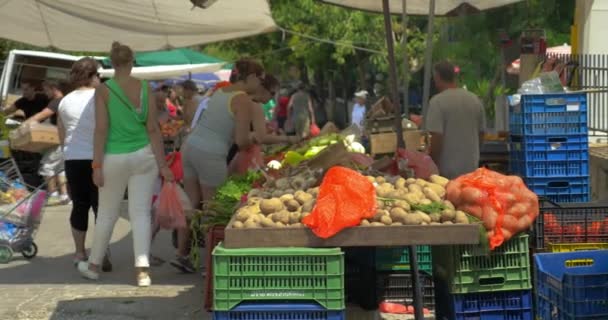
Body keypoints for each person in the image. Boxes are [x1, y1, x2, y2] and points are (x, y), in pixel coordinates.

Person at [174, 60, 296, 272]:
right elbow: (240, 141)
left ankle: (182, 254)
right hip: (210, 155)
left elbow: (224, 128)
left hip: (191, 149)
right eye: (259, 78)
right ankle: (212, 266)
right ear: (250, 78)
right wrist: (254, 137)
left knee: (194, 204)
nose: (259, 84)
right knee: (214, 210)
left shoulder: (221, 92)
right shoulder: (242, 100)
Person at [78, 42, 173, 287]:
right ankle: (142, 271)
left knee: (106, 214)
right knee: (140, 212)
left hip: (114, 156)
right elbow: (153, 128)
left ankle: (94, 266)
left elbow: (101, 130)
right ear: (131, 62)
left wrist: (96, 166)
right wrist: (163, 165)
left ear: (112, 63)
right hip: (144, 155)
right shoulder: (144, 88)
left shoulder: (104, 90)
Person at [58, 57, 111, 270]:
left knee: (80, 205)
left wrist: (68, 154)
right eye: (98, 75)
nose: (100, 78)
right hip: (99, 158)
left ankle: (79, 253)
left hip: (73, 159)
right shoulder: (103, 97)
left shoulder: (65, 101)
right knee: (102, 207)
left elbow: (61, 135)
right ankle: (100, 254)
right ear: (91, 76)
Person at [426, 61, 485, 179]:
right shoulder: (474, 100)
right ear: (454, 77)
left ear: (437, 77)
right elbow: (481, 134)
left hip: (446, 172)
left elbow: (436, 137)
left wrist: (432, 164)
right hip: (471, 169)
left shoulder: (437, 102)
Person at [23, 80, 71, 205]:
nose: (45, 93)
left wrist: (23, 126)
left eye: (46, 90)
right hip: (68, 140)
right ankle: (64, 196)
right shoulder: (67, 100)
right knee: (60, 169)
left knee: (47, 167)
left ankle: (53, 195)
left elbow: (41, 115)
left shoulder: (57, 102)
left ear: (54, 88)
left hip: (59, 140)